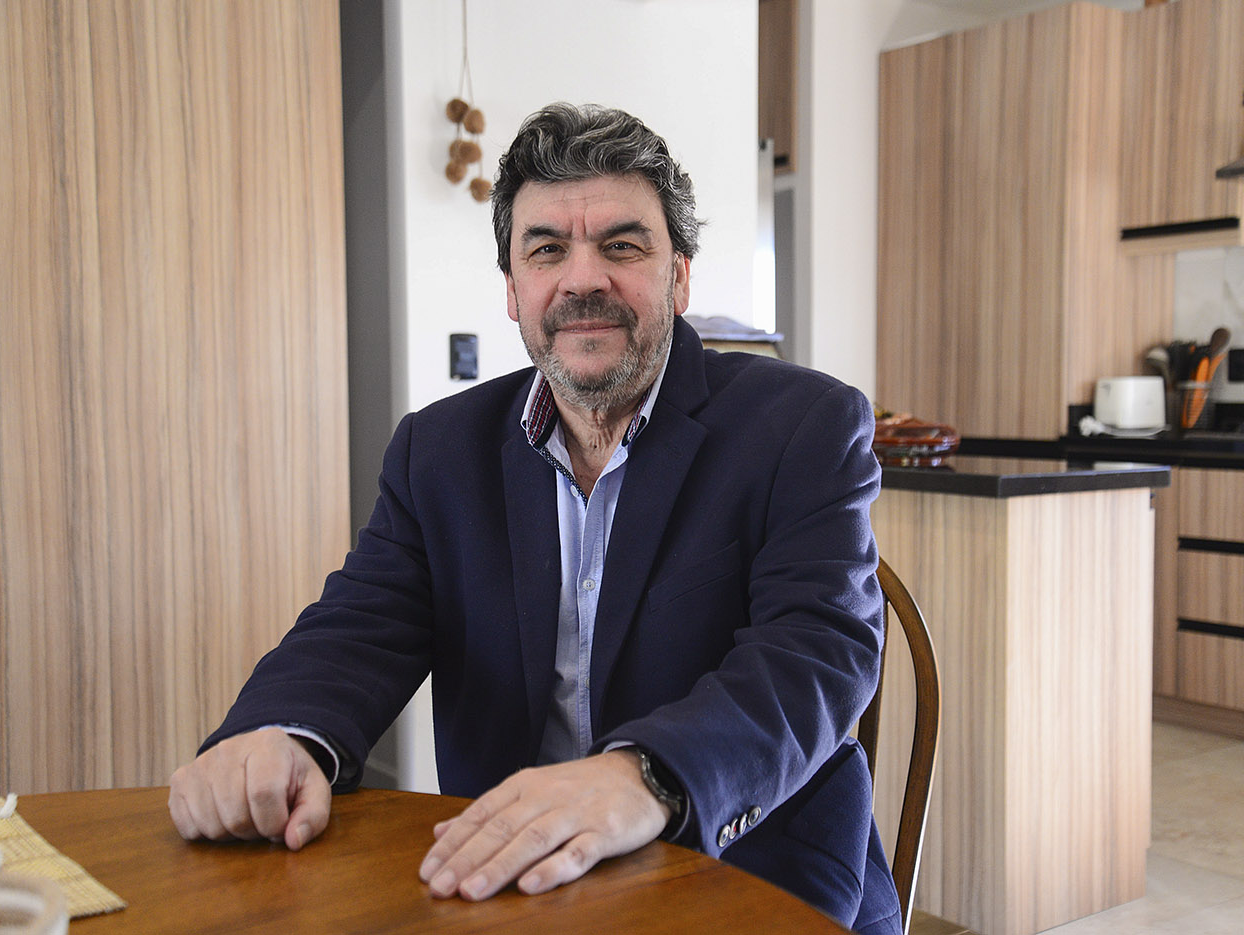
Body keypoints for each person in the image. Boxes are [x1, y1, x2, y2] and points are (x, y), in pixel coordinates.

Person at [168, 102, 899, 935]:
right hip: (517, 880)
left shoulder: (803, 424)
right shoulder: (438, 451)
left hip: (750, 872)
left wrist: (647, 776)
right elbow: (360, 623)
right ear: (514, 291)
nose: (583, 278)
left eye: (622, 245)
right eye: (547, 249)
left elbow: (817, 650)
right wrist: (279, 733)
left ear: (679, 277)